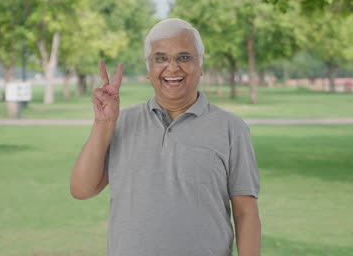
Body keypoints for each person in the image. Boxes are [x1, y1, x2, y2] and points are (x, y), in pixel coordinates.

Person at [70, 18, 261, 256]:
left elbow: (246, 213)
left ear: (200, 66)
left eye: (184, 57)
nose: (172, 68)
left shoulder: (232, 128)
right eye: (161, 58)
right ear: (149, 69)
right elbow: (81, 189)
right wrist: (103, 123)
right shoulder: (119, 122)